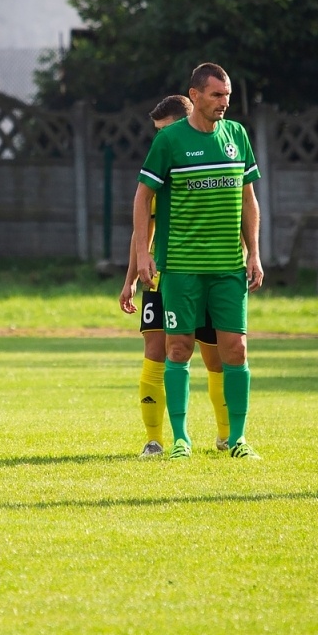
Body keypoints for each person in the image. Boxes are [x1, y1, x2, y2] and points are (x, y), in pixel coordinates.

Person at [133, 63, 264, 461]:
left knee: (235, 350)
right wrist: (143, 255)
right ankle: (180, 440)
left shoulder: (237, 135)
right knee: (177, 349)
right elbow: (142, 197)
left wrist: (254, 252)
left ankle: (237, 439)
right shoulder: (169, 140)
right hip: (181, 266)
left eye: (227, 95)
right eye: (216, 95)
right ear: (195, 95)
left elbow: (248, 199)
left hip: (228, 267)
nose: (224, 102)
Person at [119, 94, 230, 458]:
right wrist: (131, 277)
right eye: (157, 132)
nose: (161, 139)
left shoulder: (211, 160)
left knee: (216, 359)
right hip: (163, 276)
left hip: (207, 273)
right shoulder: (158, 170)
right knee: (156, 352)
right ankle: (154, 440)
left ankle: (226, 436)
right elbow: (143, 228)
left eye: (166, 130)